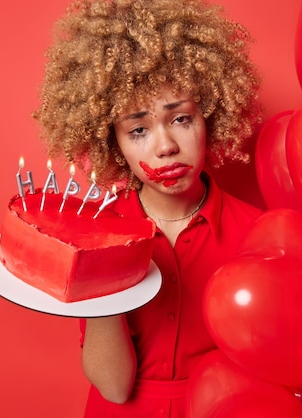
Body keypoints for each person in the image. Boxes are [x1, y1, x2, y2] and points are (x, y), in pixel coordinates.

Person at [33, 0, 264, 416]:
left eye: (180, 119)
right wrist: (102, 267)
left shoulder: (260, 234)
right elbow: (114, 388)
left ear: (210, 115)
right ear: (113, 144)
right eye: (138, 129)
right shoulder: (96, 231)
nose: (165, 147)